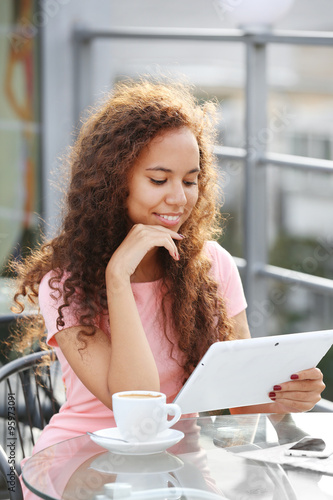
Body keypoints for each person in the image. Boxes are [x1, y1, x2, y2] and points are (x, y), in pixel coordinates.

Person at [11, 78, 324, 496]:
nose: (178, 198)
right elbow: (134, 407)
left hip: (183, 468)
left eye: (190, 180)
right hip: (84, 466)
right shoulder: (64, 283)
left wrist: (285, 397)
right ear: (112, 183)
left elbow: (243, 404)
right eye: (159, 180)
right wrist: (118, 278)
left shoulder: (212, 265)